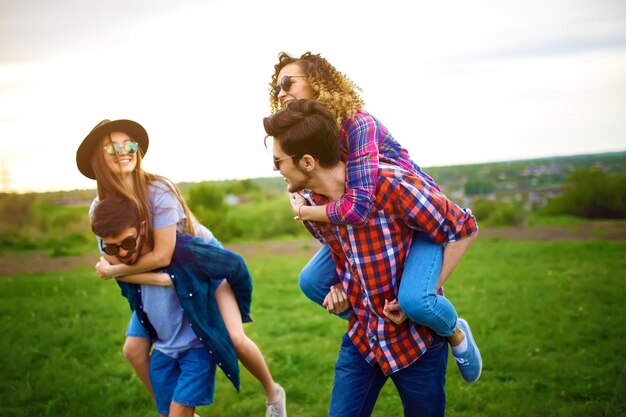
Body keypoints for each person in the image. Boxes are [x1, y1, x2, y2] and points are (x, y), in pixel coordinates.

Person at [268, 51, 481, 382]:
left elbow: (358, 206)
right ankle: (379, 324)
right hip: (364, 228)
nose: (280, 92)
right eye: (276, 87)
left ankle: (453, 330)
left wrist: (304, 209)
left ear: (317, 83)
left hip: (414, 217)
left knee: (415, 300)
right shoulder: (313, 137)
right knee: (312, 282)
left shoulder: (357, 124)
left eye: (287, 82)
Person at [76, 119, 286, 417]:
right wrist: (156, 280)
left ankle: (272, 392)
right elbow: (116, 259)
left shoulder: (158, 190)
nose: (124, 151)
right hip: (164, 280)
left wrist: (115, 272)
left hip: (203, 268)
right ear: (99, 156)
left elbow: (160, 256)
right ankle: (173, 410)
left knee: (234, 337)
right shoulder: (100, 208)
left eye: (129, 144)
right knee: (133, 351)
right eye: (113, 146)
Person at [91, 196, 254, 416]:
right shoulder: (123, 256)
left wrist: (240, 307)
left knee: (237, 339)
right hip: (164, 353)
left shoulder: (181, 248)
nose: (121, 253)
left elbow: (234, 265)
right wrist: (123, 272)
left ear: (143, 228)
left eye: (128, 243)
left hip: (196, 350)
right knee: (167, 413)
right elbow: (124, 282)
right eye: (112, 249)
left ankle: (272, 390)